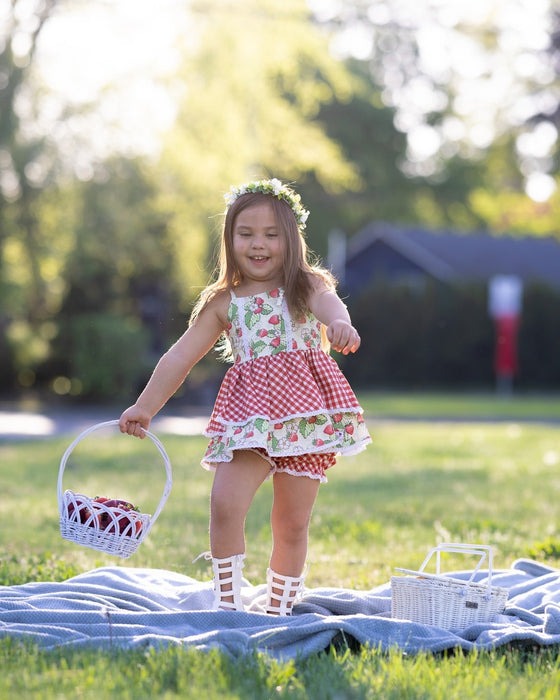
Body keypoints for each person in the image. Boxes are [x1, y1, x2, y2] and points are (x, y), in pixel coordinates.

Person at [119, 178, 371, 615]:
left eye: (272, 235)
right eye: (246, 234)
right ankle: (229, 606)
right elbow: (179, 358)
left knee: (291, 523)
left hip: (304, 419)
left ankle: (278, 607)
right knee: (224, 505)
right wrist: (145, 407)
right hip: (250, 419)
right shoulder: (224, 301)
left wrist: (340, 325)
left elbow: (332, 306)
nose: (259, 244)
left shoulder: (305, 284)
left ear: (291, 240)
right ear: (229, 239)